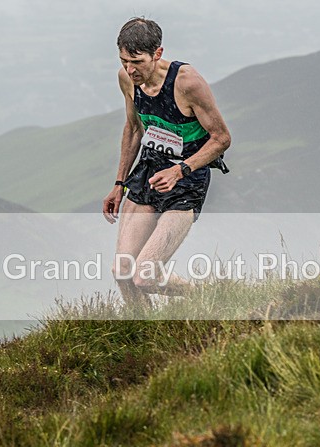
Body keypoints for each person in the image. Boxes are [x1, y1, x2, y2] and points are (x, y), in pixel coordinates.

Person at [102, 18, 231, 306]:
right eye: (124, 61)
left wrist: (180, 170)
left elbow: (221, 138)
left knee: (145, 276)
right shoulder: (127, 79)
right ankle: (140, 331)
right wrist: (118, 185)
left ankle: (208, 297)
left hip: (186, 180)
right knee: (122, 271)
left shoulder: (187, 83)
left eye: (137, 61)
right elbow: (134, 128)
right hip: (148, 172)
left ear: (157, 54)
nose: (130, 70)